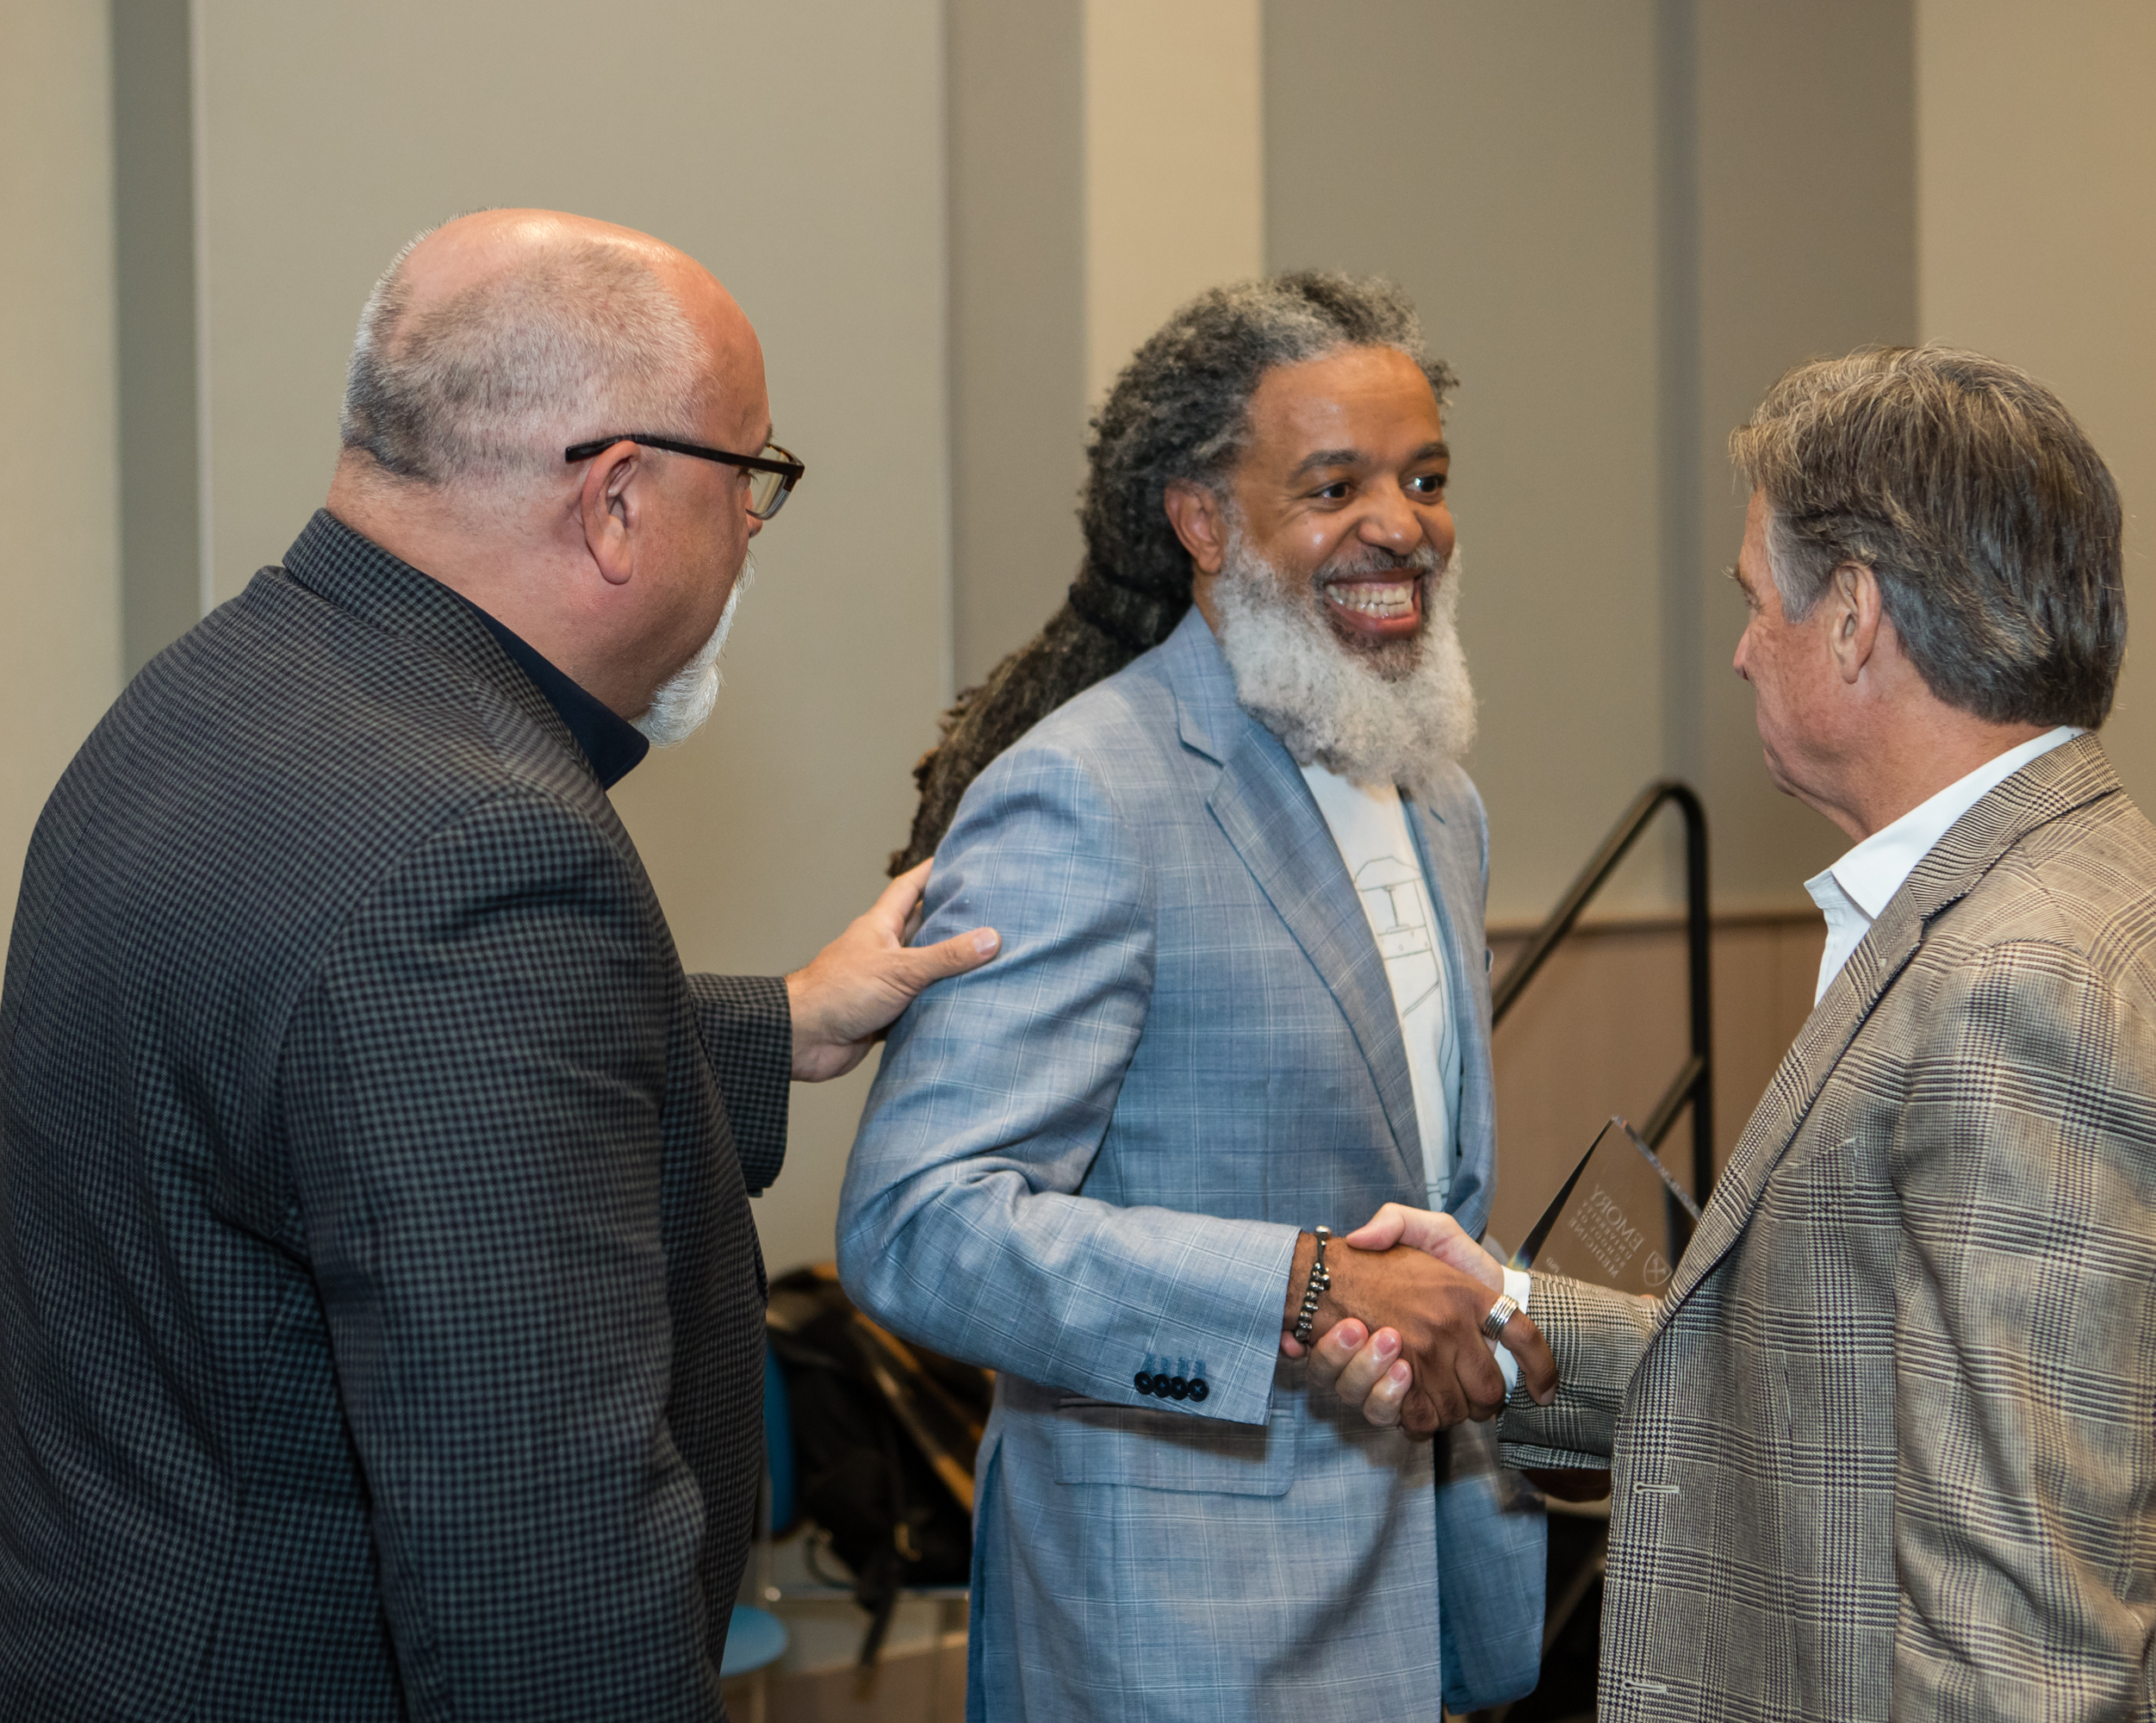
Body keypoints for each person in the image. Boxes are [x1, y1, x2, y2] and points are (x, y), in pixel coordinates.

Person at [0, 210, 997, 1722]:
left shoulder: (224, 687)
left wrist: (778, 1024)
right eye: (753, 482)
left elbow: (309, 1068)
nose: (749, 535)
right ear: (616, 503)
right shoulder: (481, 854)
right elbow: (542, 1577)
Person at [1318, 346, 2156, 1720]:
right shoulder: (2040, 888)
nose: (1746, 647)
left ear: (1856, 619)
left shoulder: (2028, 984)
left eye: (1758, 601)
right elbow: (1840, 1384)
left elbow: (2021, 1664)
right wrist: (1514, 1322)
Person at [839, 273, 1557, 1722]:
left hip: (1414, 1586)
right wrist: (1308, 1293)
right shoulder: (1081, 793)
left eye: (1424, 478)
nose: (1401, 524)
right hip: (1171, 1626)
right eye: (1333, 483)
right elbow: (922, 1226)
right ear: (1205, 524)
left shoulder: (1442, 801)